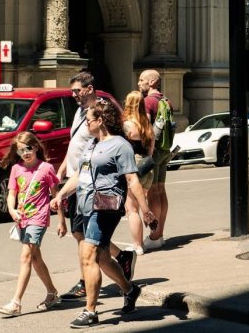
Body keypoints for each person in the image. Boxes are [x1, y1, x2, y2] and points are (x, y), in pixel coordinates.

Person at [51, 100, 155, 328]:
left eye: (88, 120)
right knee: (103, 257)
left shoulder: (120, 146)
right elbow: (79, 174)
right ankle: (130, 289)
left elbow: (132, 179)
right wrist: (61, 195)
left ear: (101, 121)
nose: (85, 123)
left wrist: (145, 209)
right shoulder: (91, 144)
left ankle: (90, 311)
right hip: (86, 204)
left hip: (106, 206)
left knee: (88, 255)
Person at [57, 71, 136, 303]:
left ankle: (85, 282)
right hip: (74, 179)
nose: (73, 95)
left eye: (77, 91)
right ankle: (121, 257)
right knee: (81, 233)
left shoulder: (99, 112)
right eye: (72, 91)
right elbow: (76, 146)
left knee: (84, 236)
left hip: (89, 184)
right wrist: (62, 168)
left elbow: (117, 138)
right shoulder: (81, 113)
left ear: (89, 89)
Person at [0, 131, 66, 317]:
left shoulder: (46, 168)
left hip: (39, 218)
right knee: (35, 259)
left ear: (35, 147)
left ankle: (16, 302)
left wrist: (61, 221)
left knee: (26, 257)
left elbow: (56, 196)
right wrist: (12, 210)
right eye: (20, 150)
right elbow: (11, 194)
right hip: (23, 218)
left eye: (28, 148)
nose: (25, 153)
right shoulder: (16, 169)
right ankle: (52, 293)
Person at [138, 69, 173, 251]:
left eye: (142, 80)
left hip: (153, 151)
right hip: (165, 149)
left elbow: (147, 128)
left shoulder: (148, 101)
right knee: (160, 190)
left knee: (152, 192)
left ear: (151, 82)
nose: (139, 83)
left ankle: (154, 236)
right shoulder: (165, 100)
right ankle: (160, 233)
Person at [122, 90, 155, 255]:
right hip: (148, 168)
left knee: (131, 208)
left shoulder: (128, 125)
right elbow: (151, 150)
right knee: (142, 204)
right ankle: (142, 241)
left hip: (134, 167)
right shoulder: (148, 125)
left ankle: (137, 245)